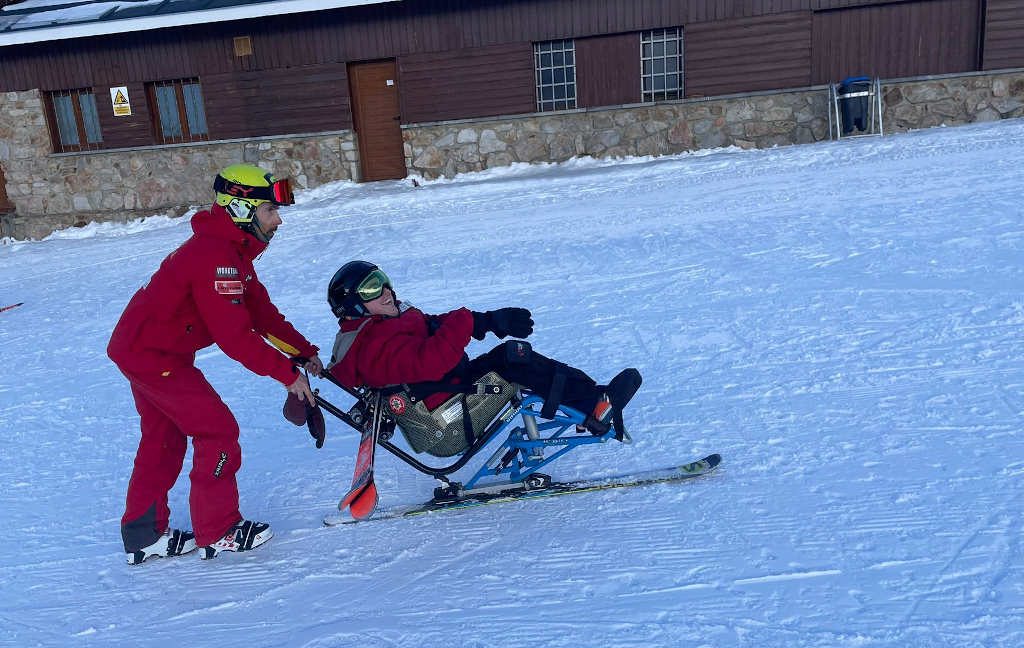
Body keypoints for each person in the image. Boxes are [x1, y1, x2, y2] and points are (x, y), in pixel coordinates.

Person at [107, 164, 323, 564]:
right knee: (218, 430)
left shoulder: (231, 254)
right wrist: (287, 374)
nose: (278, 220)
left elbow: (261, 315)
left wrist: (302, 351)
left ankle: (143, 535)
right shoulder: (216, 259)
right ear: (241, 209)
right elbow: (235, 337)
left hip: (148, 350)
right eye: (269, 210)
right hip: (153, 357)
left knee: (164, 439)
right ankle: (219, 530)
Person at [324, 260, 641, 438]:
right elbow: (431, 360)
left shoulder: (384, 326)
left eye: (384, 280)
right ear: (353, 305)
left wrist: (488, 321)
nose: (387, 291)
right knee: (515, 362)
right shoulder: (373, 348)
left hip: (450, 387)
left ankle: (594, 401)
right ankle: (594, 406)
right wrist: (465, 320)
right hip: (446, 416)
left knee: (513, 355)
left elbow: (431, 326)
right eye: (371, 288)